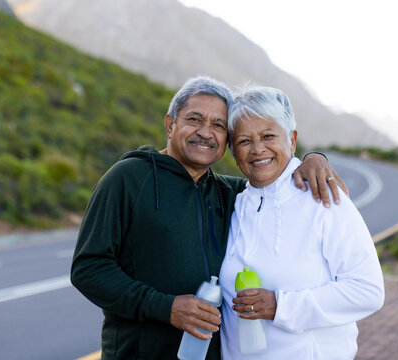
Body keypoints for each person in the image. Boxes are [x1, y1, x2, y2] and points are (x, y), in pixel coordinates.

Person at [71, 76, 346, 359]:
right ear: (170, 124)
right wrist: (166, 308)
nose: (205, 132)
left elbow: (276, 174)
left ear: (227, 140)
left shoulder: (231, 193)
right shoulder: (128, 179)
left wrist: (313, 158)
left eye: (218, 125)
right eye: (194, 119)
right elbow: (88, 268)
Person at [219, 85, 384, 359]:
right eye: (244, 141)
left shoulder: (323, 197)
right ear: (233, 151)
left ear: (292, 140)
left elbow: (368, 290)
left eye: (268, 135)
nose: (258, 149)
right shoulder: (236, 203)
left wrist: (280, 306)